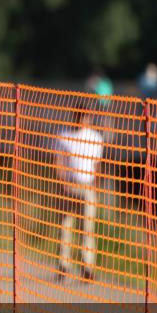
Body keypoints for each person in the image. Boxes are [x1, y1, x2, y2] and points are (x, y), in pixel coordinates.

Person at [53, 108, 105, 282]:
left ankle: (87, 267)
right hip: (68, 187)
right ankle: (64, 266)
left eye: (86, 117)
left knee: (87, 230)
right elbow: (59, 162)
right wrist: (63, 183)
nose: (83, 120)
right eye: (80, 117)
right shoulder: (64, 136)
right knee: (65, 227)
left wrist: (96, 188)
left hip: (87, 187)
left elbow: (98, 166)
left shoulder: (96, 138)